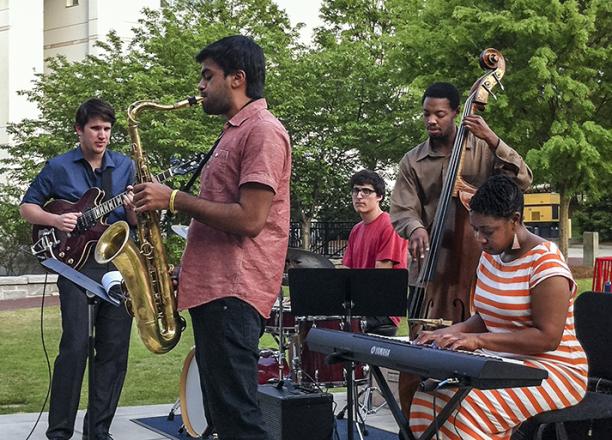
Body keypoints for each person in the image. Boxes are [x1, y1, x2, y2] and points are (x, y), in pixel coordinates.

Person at [132, 35, 291, 440]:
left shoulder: (263, 131)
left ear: (237, 78)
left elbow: (251, 218)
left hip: (233, 292)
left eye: (207, 76)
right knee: (222, 417)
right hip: (216, 290)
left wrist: (174, 199)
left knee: (238, 419)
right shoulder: (234, 132)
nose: (200, 86)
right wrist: (183, 269)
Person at [410, 175, 587, 439]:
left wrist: (479, 341)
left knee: (462, 410)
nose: (479, 238)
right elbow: (486, 317)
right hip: (505, 360)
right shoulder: (491, 256)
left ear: (515, 220)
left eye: (487, 231)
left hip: (553, 369)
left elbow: (547, 338)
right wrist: (447, 334)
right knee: (429, 398)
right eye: (475, 229)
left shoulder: (546, 263)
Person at [20, 98, 136, 440]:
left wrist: (132, 207)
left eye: (107, 129)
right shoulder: (58, 166)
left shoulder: (125, 166)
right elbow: (27, 207)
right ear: (79, 130)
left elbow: (134, 220)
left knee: (114, 351)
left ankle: (98, 431)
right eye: (95, 128)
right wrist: (55, 220)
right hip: (75, 267)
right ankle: (59, 432)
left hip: (118, 264)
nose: (102, 135)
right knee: (74, 347)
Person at [342, 169, 408, 335]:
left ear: (379, 196)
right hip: (360, 305)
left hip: (382, 310)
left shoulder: (389, 225)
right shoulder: (356, 230)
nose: (359, 196)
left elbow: (380, 277)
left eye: (366, 191)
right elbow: (346, 273)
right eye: (356, 190)